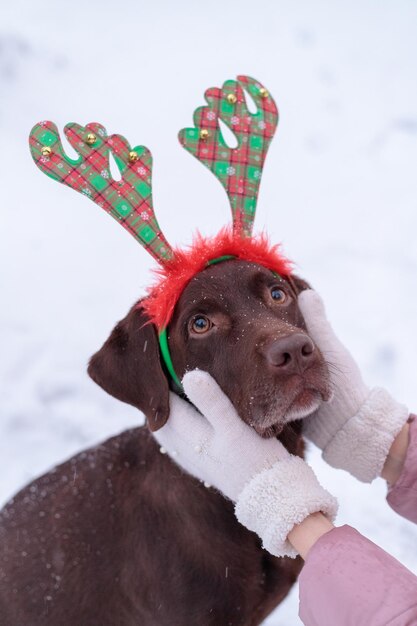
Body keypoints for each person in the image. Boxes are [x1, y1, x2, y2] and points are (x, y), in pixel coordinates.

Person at [154, 289, 417, 625]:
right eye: (202, 323)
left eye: (276, 294)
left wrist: (288, 509)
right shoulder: (184, 570)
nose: (288, 342)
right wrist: (391, 446)